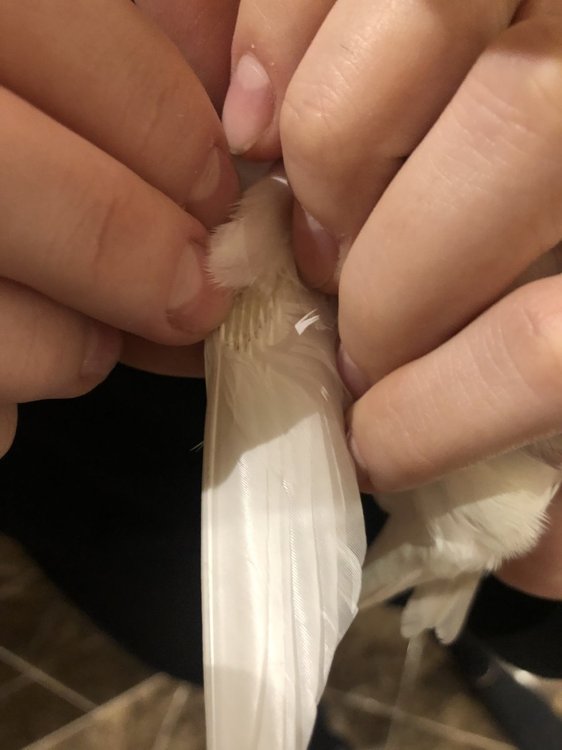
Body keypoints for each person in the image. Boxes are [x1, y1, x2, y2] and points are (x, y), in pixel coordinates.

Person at [0, 0, 561, 743]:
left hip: (492, 466)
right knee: (218, 648)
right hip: (105, 471)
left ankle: (468, 654)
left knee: (474, 601)